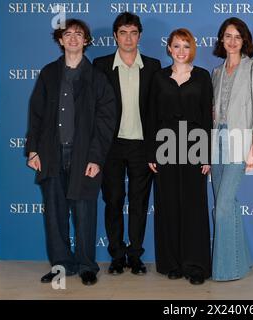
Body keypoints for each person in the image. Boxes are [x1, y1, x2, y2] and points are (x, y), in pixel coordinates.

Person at [25, 19, 116, 286]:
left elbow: (105, 121)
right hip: (51, 154)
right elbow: (37, 114)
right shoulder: (49, 74)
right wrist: (33, 150)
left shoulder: (98, 78)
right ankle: (61, 265)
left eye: (79, 34)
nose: (73, 38)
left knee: (85, 212)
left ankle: (87, 265)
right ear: (61, 40)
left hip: (84, 156)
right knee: (54, 213)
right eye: (68, 34)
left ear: (86, 41)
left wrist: (96, 158)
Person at [93, 12, 161, 275]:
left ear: (140, 36)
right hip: (111, 146)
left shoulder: (153, 66)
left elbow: (159, 109)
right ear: (115, 36)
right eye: (123, 32)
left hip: (142, 146)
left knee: (139, 203)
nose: (128, 38)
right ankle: (117, 255)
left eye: (133, 33)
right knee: (112, 201)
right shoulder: (100, 65)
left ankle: (135, 256)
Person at [147, 28, 213, 285]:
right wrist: (151, 151)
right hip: (164, 145)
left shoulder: (202, 77)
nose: (181, 51)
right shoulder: (159, 77)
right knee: (168, 205)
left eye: (186, 46)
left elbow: (207, 118)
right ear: (169, 48)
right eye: (176, 46)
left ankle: (195, 265)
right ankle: (172, 263)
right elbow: (151, 114)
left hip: (195, 145)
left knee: (194, 206)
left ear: (192, 49)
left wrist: (207, 154)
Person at [211, 17, 253, 281]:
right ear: (221, 40)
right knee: (226, 204)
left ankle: (227, 270)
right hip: (216, 141)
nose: (232, 41)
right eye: (227, 36)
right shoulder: (217, 72)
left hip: (241, 141)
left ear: (244, 40)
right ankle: (242, 260)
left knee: (222, 207)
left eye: (237, 36)